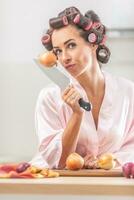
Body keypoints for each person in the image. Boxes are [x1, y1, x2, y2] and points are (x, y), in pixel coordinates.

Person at [30, 7, 134, 169]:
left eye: (71, 45)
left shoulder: (128, 92)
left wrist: (108, 161)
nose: (64, 58)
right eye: (58, 51)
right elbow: (59, 161)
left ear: (93, 44)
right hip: (57, 185)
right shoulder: (49, 97)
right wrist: (77, 115)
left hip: (112, 183)